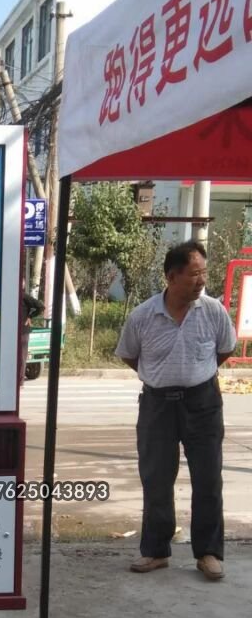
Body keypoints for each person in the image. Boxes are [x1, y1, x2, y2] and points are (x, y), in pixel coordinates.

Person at [115, 240, 237, 580]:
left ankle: (208, 553)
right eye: (194, 274)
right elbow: (129, 355)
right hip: (157, 406)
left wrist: (195, 375)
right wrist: (161, 377)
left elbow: (224, 350)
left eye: (204, 273)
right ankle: (155, 551)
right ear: (171, 276)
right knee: (156, 478)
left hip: (203, 404)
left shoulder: (213, 311)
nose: (202, 280)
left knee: (208, 479)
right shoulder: (143, 316)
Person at [20, 281, 44, 383]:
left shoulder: (24, 297)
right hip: (13, 332)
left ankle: (20, 381)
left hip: (23, 332)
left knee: (21, 357)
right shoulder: (10, 297)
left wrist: (30, 316)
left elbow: (41, 307)